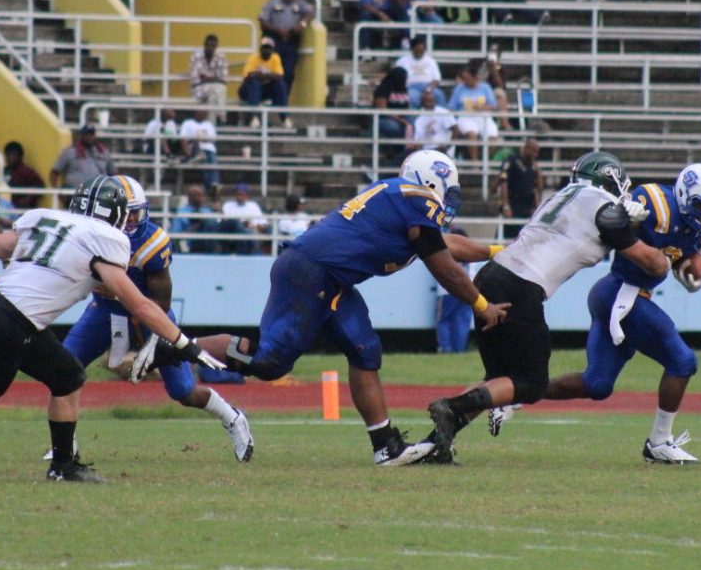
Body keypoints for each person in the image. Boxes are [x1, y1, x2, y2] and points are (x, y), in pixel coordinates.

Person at [0, 176, 224, 483]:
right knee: (38, 386)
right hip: (13, 323)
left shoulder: (48, 220)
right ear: (112, 213)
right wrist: (185, 344)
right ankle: (63, 465)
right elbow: (141, 304)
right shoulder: (107, 240)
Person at [190, 151, 508, 465]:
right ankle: (178, 347)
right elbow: (445, 268)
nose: (448, 199)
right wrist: (480, 305)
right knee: (269, 363)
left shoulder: (402, 200)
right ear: (429, 180)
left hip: (331, 278)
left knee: (365, 349)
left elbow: (450, 244)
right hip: (311, 271)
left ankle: (386, 447)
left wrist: (500, 251)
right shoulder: (415, 198)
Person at [423, 152, 668, 463]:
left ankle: (434, 444)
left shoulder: (563, 196)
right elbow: (652, 264)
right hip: (521, 286)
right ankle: (452, 407)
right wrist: (660, 249)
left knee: (499, 378)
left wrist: (623, 220)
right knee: (531, 383)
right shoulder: (606, 209)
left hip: (491, 275)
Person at [534, 164, 701, 464]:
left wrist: (690, 266)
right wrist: (628, 218)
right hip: (621, 292)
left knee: (596, 384)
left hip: (620, 296)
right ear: (683, 194)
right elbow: (613, 227)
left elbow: (685, 250)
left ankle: (519, 389)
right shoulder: (653, 202)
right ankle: (659, 442)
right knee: (683, 361)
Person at [56, 176, 254, 462]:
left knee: (183, 391)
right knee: (63, 370)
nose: (132, 219)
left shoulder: (151, 242)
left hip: (150, 315)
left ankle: (233, 417)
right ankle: (63, 445)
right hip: (103, 310)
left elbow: (160, 302)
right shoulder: (85, 234)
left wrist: (150, 346)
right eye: (127, 211)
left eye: (136, 212)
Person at [258, 0, 313, 98]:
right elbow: (263, 22)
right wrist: (278, 30)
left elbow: (309, 13)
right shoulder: (273, 3)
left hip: (291, 41)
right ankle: (269, 96)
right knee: (271, 71)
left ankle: (283, 98)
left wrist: (300, 25)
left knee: (288, 72)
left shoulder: (299, 3)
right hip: (274, 40)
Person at [448, 59, 498, 160]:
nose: (465, 81)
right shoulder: (459, 89)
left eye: (467, 78)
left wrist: (483, 107)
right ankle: (474, 161)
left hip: (483, 116)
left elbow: (493, 105)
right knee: (471, 134)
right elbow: (451, 107)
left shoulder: (485, 88)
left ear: (475, 77)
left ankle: (484, 160)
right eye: (464, 78)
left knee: (493, 138)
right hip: (465, 116)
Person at [436, 227, 476, 352]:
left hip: (447, 290)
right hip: (467, 290)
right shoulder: (470, 253)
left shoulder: (444, 252)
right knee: (462, 320)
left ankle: (445, 348)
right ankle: (459, 349)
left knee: (444, 320)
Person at [497, 137, 543, 239]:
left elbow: (537, 188)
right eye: (534, 152)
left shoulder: (533, 166)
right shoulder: (512, 161)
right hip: (513, 206)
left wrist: (537, 207)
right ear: (527, 148)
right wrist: (505, 206)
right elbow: (503, 182)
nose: (535, 155)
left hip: (527, 208)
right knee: (507, 239)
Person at [238, 37, 289, 128]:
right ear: (260, 49)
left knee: (280, 85)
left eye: (268, 48)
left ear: (272, 50)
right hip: (248, 90)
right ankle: (253, 116)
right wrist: (269, 76)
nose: (266, 51)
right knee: (254, 84)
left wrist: (261, 75)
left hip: (264, 90)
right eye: (264, 48)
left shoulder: (275, 58)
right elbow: (248, 76)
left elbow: (279, 76)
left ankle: (284, 117)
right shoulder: (253, 58)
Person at [49, 124, 115, 191]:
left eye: (91, 134)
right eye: (87, 134)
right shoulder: (70, 152)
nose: (89, 137)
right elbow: (54, 173)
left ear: (94, 136)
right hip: (75, 194)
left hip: (99, 194)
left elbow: (113, 174)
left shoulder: (103, 152)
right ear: (82, 136)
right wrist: (58, 192)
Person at [372, 66, 412, 158]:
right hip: (386, 118)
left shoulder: (403, 89)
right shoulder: (383, 88)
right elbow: (382, 109)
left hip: (402, 116)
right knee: (395, 128)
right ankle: (397, 151)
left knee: (416, 124)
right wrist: (401, 120)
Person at [188, 34, 229, 119]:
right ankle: (222, 116)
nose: (210, 48)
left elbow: (224, 79)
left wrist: (207, 79)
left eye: (213, 46)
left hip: (215, 91)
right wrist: (214, 79)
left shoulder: (221, 58)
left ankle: (211, 127)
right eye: (208, 45)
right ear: (204, 45)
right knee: (220, 88)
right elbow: (194, 80)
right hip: (199, 90)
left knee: (213, 98)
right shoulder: (195, 57)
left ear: (216, 46)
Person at [395, 35, 444, 108]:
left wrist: (428, 90)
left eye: (422, 50)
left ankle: (442, 118)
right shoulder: (402, 61)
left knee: (439, 94)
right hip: (410, 87)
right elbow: (397, 79)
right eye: (417, 50)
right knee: (411, 97)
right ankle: (414, 119)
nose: (420, 52)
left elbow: (436, 79)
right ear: (411, 49)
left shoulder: (431, 61)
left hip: (428, 86)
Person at [219, 183, 267, 255]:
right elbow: (221, 222)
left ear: (247, 195)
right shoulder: (228, 205)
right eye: (237, 194)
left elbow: (263, 225)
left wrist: (252, 225)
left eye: (242, 194)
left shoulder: (253, 206)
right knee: (236, 224)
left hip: (250, 231)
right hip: (232, 233)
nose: (239, 197)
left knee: (248, 233)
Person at [170, 184, 219, 254]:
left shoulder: (207, 211)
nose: (200, 197)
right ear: (189, 197)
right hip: (192, 242)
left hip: (209, 241)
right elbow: (175, 233)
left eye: (201, 195)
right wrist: (193, 228)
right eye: (196, 195)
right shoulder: (181, 212)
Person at [180, 109, 220, 193]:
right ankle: (211, 187)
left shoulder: (209, 125)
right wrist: (188, 153)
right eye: (202, 113)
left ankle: (214, 185)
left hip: (209, 148)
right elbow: (183, 139)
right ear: (196, 113)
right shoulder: (188, 123)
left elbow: (213, 139)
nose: (204, 115)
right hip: (195, 149)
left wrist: (203, 138)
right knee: (204, 162)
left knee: (213, 164)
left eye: (205, 113)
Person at [2, 141, 45, 209]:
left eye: (13, 155)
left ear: (20, 157)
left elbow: (39, 186)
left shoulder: (26, 171)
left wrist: (27, 199)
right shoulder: (3, 171)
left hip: (22, 209)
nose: (10, 157)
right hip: (6, 207)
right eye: (8, 155)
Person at [412, 87, 457, 151]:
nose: (429, 103)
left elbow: (456, 130)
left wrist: (447, 146)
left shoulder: (443, 113)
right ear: (422, 102)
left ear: (435, 101)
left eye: (431, 101)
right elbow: (418, 141)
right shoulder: (419, 119)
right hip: (426, 151)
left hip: (443, 149)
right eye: (426, 101)